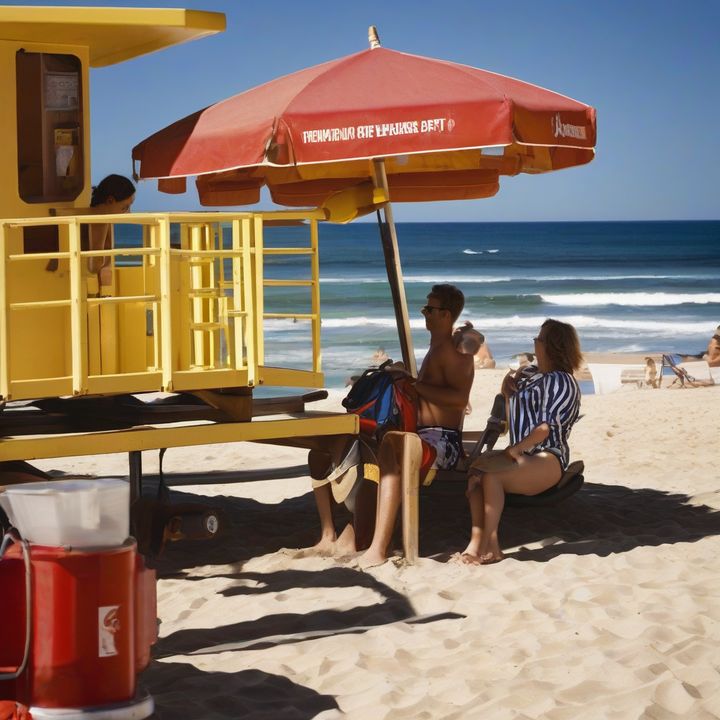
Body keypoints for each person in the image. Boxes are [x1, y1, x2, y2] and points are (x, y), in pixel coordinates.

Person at [353, 284, 475, 567]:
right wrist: (406, 379)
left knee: (391, 448)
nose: (424, 314)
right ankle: (362, 537)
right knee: (369, 448)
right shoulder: (439, 347)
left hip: (443, 443)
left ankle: (379, 548)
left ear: (446, 315)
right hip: (425, 436)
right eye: (425, 308)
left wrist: (414, 385)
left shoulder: (455, 352)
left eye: (429, 309)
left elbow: (458, 399)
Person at [461, 318, 582, 565]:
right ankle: (481, 544)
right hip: (523, 454)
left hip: (547, 456)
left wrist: (515, 449)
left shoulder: (561, 380)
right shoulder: (529, 374)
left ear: (552, 345)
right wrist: (507, 393)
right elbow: (514, 417)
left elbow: (545, 428)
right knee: (475, 472)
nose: (534, 342)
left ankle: (486, 544)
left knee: (492, 476)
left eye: (539, 338)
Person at [86, 174, 136, 289]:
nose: (128, 213)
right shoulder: (99, 219)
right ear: (110, 201)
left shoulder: (102, 217)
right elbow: (94, 266)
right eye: (124, 207)